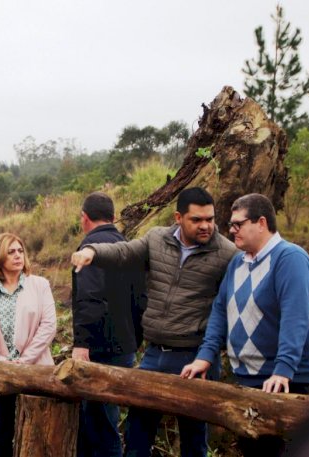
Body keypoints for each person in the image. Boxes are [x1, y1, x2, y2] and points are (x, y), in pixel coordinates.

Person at [71, 187, 237, 457]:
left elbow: (228, 309)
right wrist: (92, 252)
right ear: (178, 217)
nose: (205, 225)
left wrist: (210, 354)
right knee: (137, 437)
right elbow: (124, 251)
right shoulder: (156, 239)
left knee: (194, 442)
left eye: (210, 218)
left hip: (195, 358)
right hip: (154, 355)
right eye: (197, 220)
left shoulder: (226, 254)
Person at [181, 193, 309, 456]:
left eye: (238, 224)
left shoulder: (290, 259)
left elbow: (296, 318)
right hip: (250, 380)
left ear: (261, 223)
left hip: (292, 381)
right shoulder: (238, 262)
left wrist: (283, 369)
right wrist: (205, 356)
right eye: (231, 225)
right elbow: (220, 311)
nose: (232, 230)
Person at [72, 192, 145, 457]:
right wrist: (135, 340)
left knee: (102, 428)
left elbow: (90, 299)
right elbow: (142, 299)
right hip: (126, 345)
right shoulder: (129, 248)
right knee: (106, 421)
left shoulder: (87, 252)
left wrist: (81, 343)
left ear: (85, 218)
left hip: (98, 349)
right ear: (114, 217)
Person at [0, 232, 57, 457]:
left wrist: (24, 361)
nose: (18, 256)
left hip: (35, 371)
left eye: (20, 251)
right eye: (11, 252)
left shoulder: (40, 285)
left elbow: (49, 325)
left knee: (39, 433)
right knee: (1, 436)